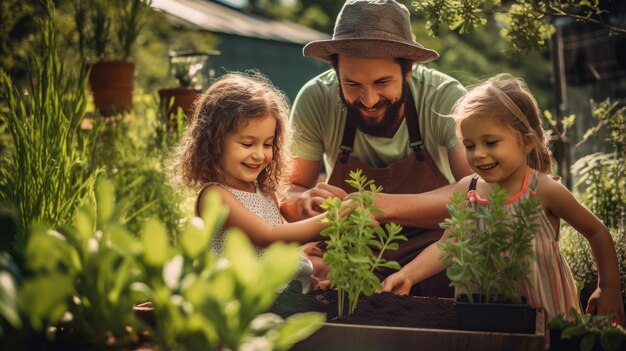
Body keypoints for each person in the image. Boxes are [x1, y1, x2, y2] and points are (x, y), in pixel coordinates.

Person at [382, 74, 624, 325]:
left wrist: (608, 288)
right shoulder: (469, 190)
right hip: (481, 315)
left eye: (490, 142)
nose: (479, 154)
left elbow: (596, 231)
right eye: (469, 145)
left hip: (544, 317)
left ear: (526, 142)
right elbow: (448, 245)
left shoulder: (542, 190)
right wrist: (408, 275)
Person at [279, 0, 473, 297]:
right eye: (352, 84)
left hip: (430, 243)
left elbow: (474, 191)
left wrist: (380, 206)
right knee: (298, 268)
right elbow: (290, 187)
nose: (368, 100)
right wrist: (301, 199)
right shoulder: (315, 98)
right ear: (336, 71)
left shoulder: (444, 98)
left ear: (408, 71)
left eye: (382, 82)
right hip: (351, 244)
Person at [169, 72, 335, 293]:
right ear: (214, 142)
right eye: (248, 144)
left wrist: (307, 280)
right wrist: (333, 219)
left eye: (267, 144)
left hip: (271, 293)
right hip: (239, 300)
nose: (259, 155)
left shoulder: (265, 191)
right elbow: (269, 237)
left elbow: (271, 255)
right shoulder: (216, 196)